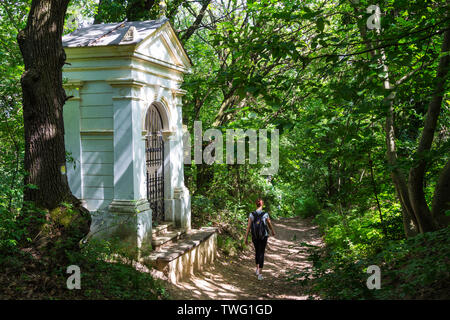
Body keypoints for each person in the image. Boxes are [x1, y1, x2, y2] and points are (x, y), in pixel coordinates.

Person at [244, 199, 276, 280]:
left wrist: (246, 238)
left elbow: (248, 227)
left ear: (256, 205)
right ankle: (260, 274)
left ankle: (257, 269)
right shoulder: (265, 214)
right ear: (262, 205)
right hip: (263, 236)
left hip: (254, 236)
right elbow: (269, 223)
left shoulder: (251, 214)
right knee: (262, 253)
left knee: (257, 252)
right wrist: (272, 231)